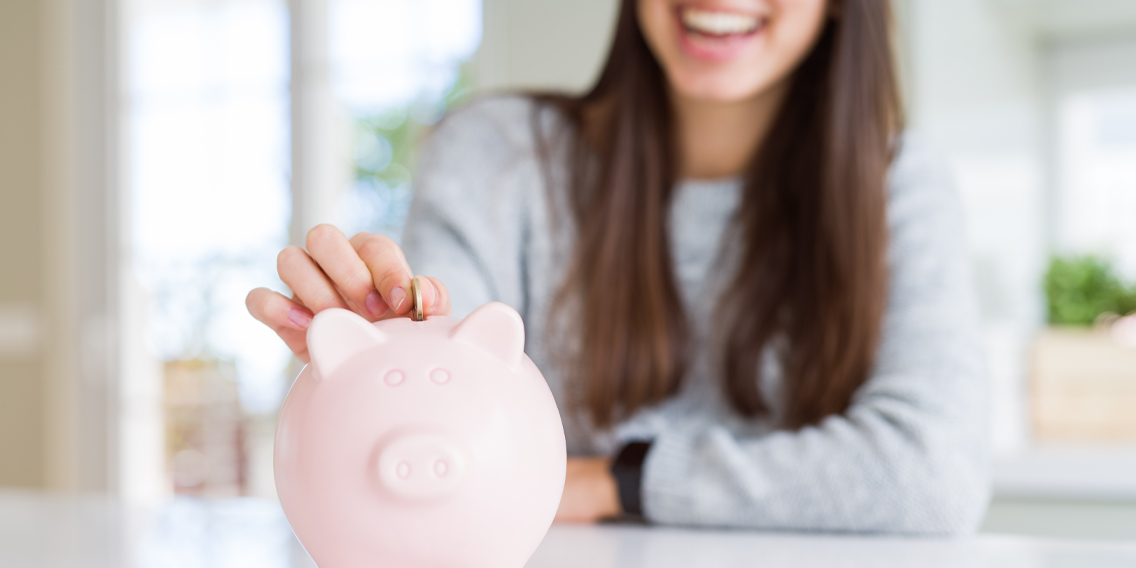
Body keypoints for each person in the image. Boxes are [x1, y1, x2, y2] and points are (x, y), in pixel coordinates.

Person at [247, 0, 989, 533]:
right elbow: (446, 364)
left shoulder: (899, 184)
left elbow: (934, 475)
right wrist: (395, 352)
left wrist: (617, 482)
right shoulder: (496, 156)